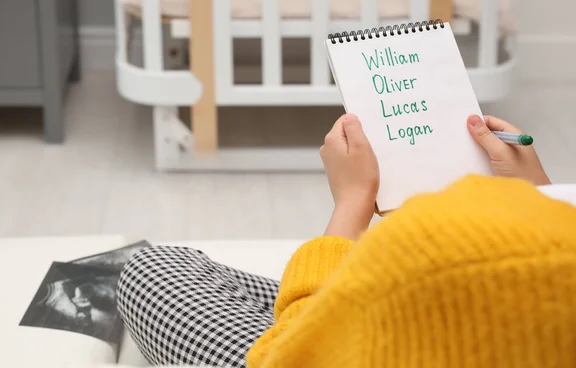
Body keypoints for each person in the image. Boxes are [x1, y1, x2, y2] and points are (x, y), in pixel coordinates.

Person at [116, 114, 576, 368]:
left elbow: (295, 357)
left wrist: (352, 205)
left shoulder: (448, 250)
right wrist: (540, 200)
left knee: (149, 269)